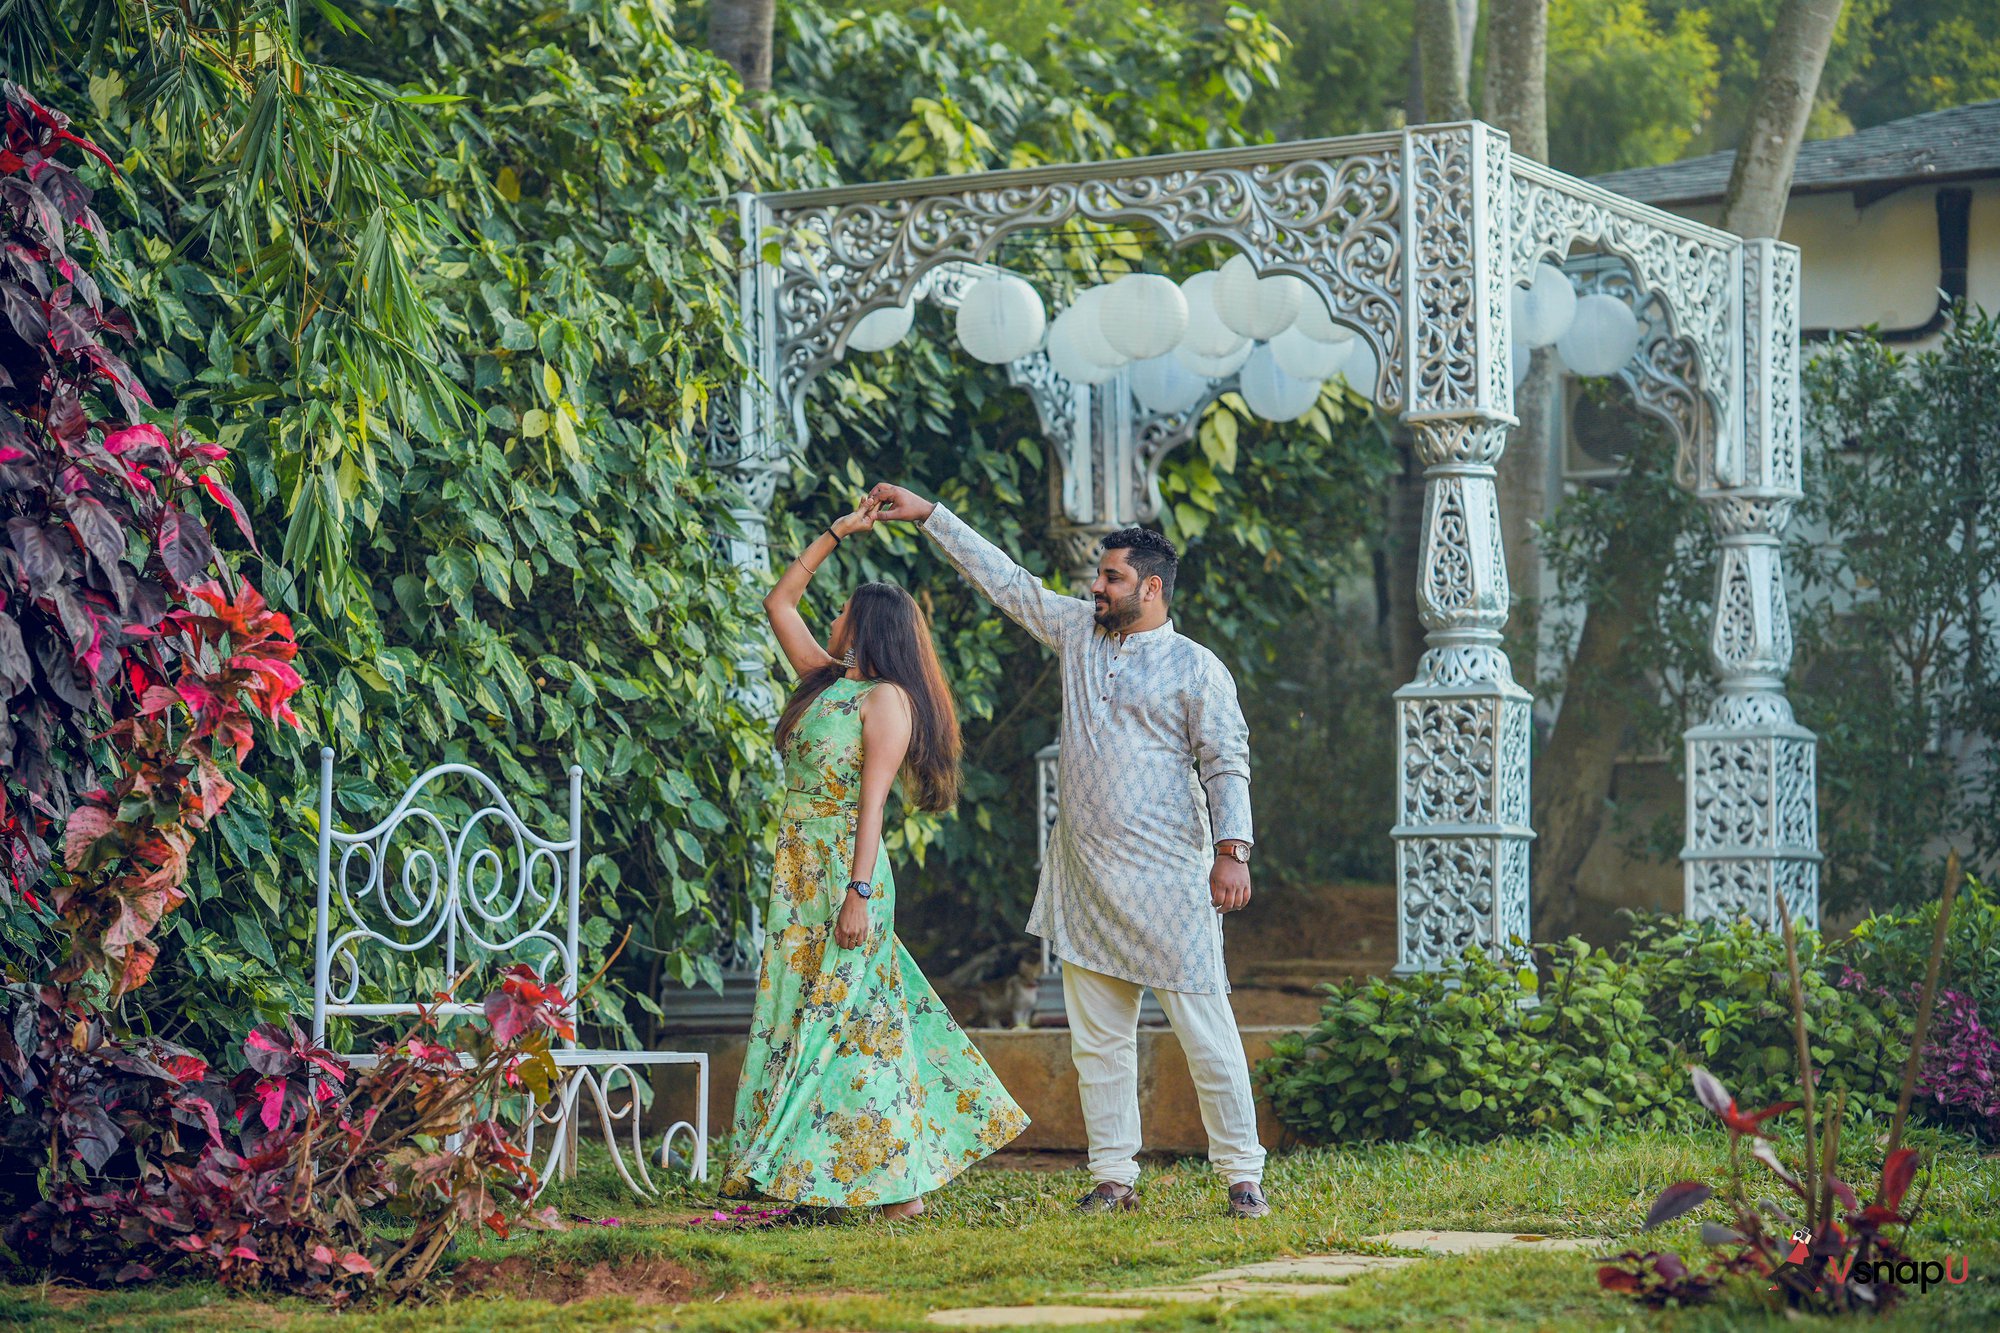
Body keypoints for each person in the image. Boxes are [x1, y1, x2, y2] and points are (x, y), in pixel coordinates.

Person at [868, 482, 1271, 1220]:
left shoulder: (1195, 667)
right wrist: (932, 516)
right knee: (1099, 1043)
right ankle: (1114, 1176)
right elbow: (1005, 580)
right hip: (1087, 878)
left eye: (1111, 577)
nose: (1096, 585)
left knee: (1208, 1035)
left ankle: (1242, 1175)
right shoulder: (1078, 632)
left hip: (1172, 880)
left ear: (1150, 588)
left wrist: (1232, 849)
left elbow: (1226, 762)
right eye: (1099, 574)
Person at [720, 496, 1029, 1220]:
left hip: (844, 873)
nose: (830, 618)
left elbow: (873, 804)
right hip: (797, 874)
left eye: (845, 612)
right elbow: (778, 600)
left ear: (866, 625)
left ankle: (882, 1185)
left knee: (848, 1022)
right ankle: (857, 1181)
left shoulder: (885, 701)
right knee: (810, 1017)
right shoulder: (827, 681)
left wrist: (858, 891)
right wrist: (836, 533)